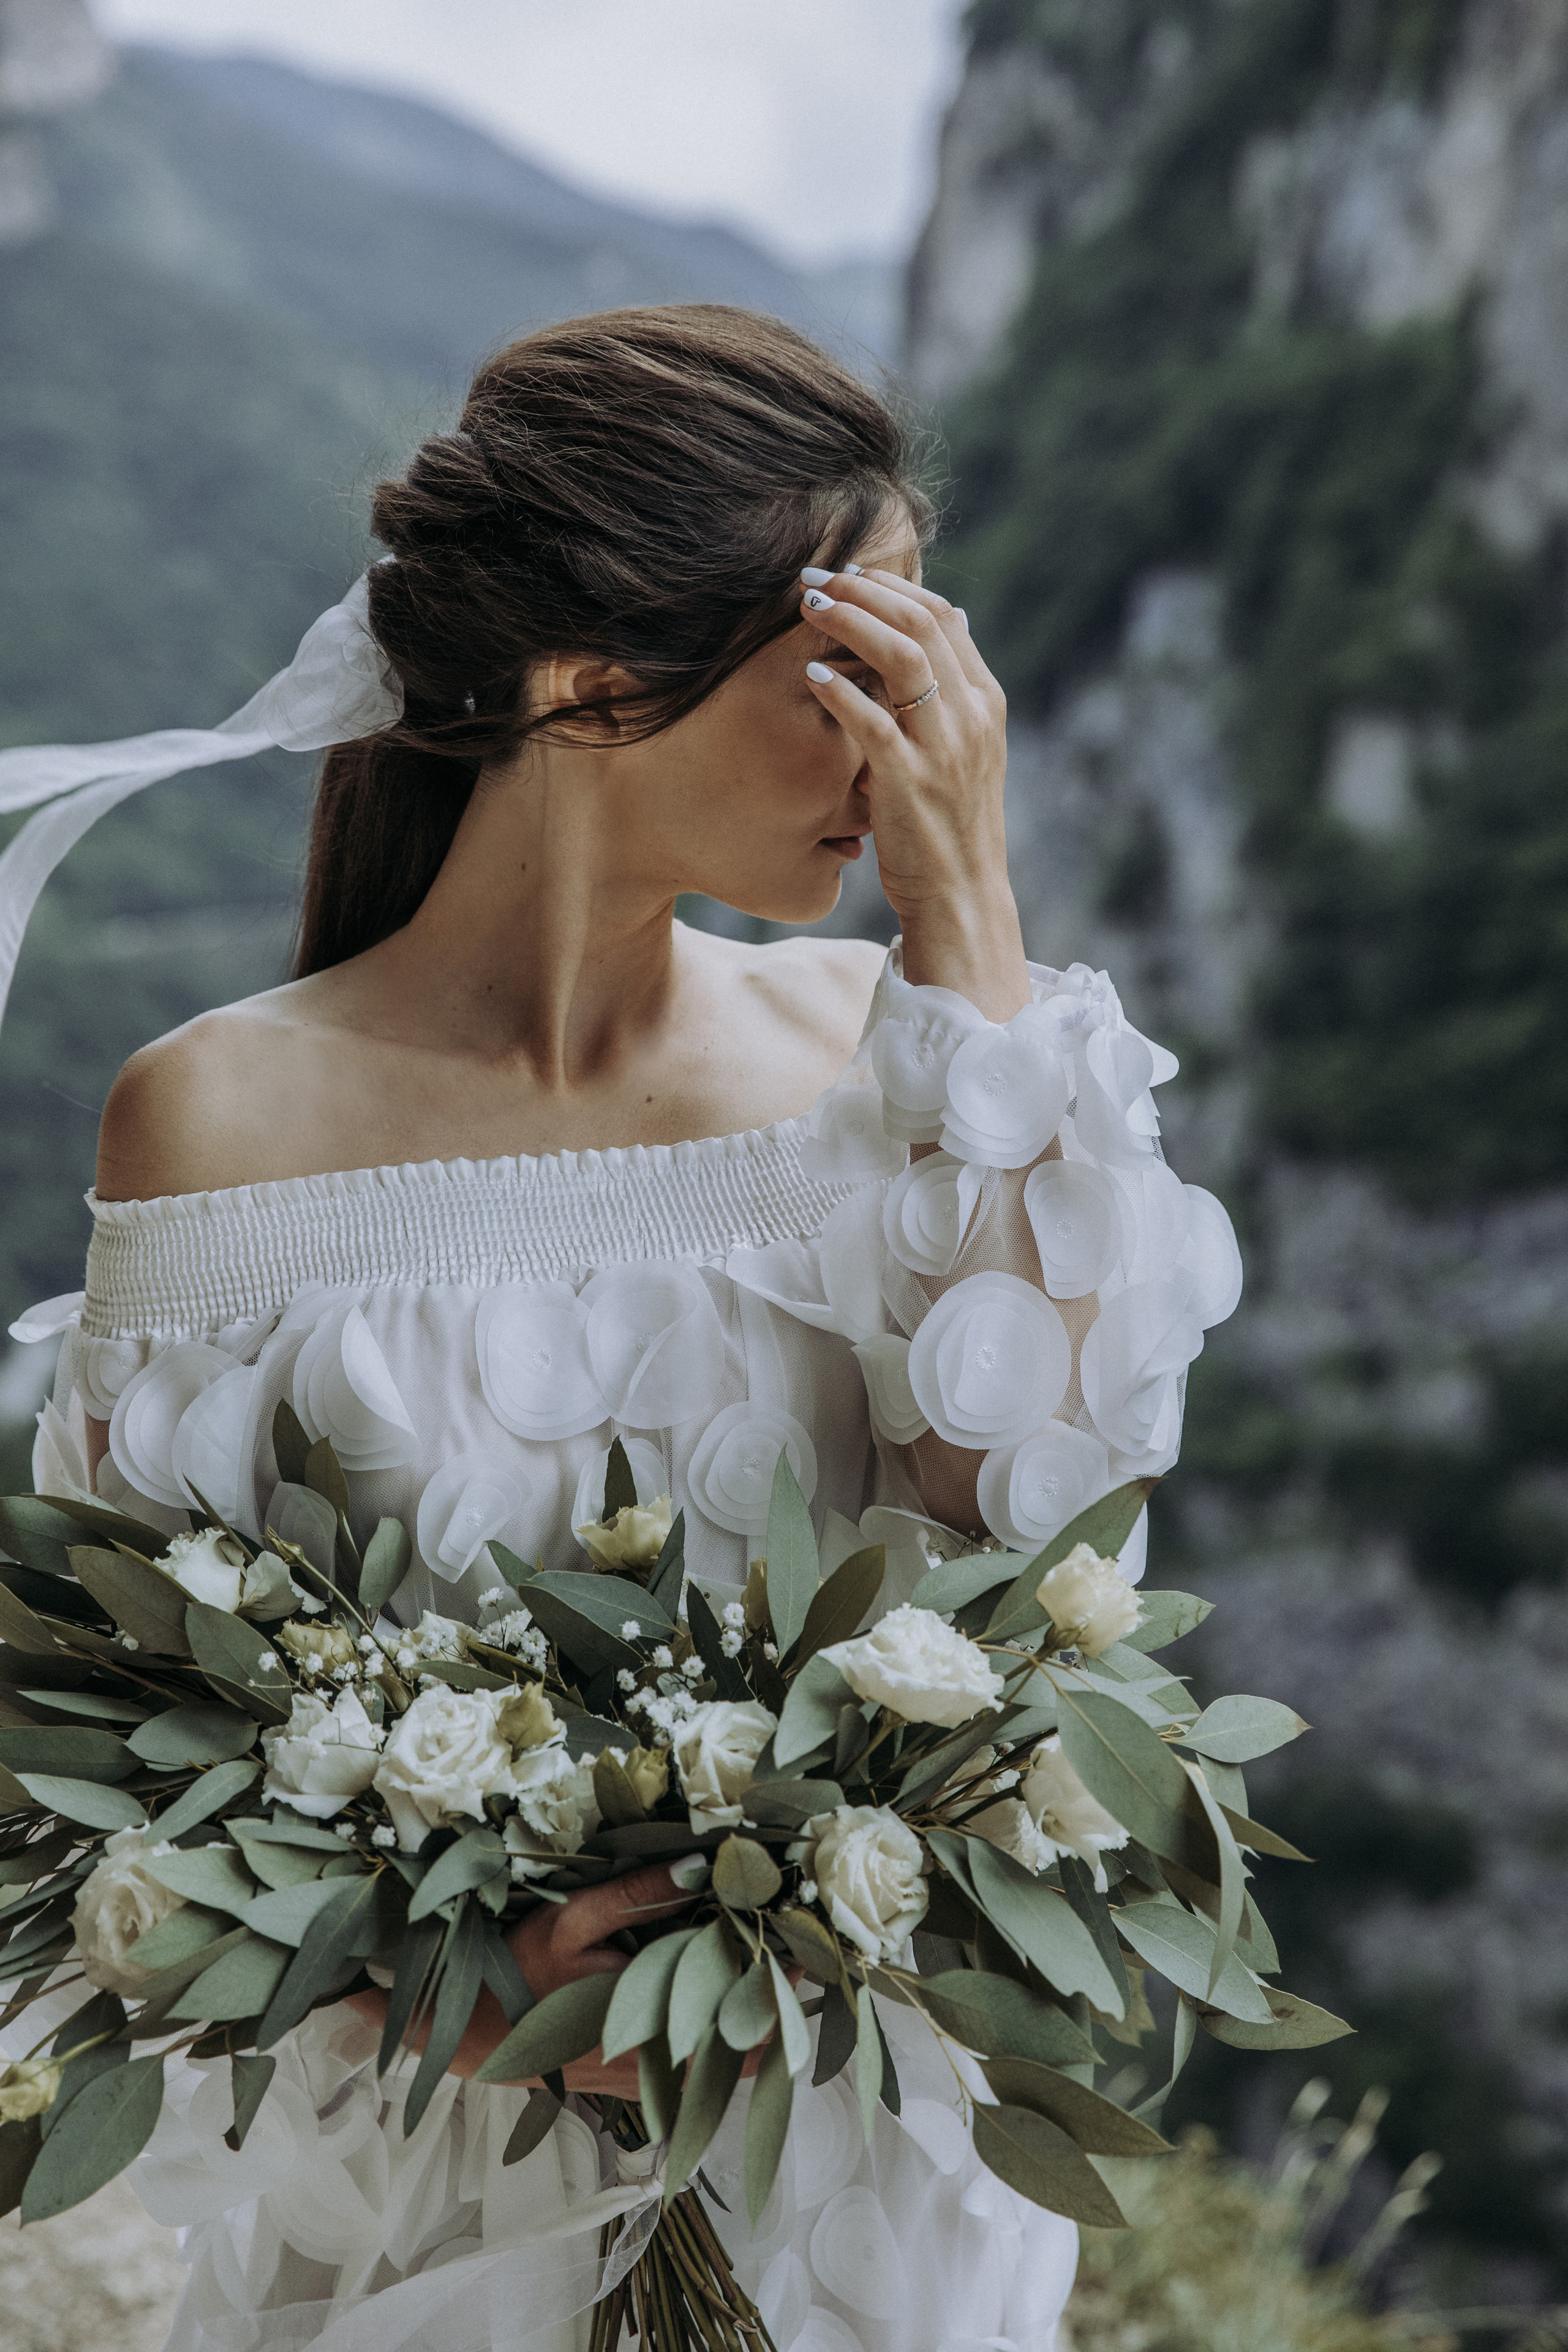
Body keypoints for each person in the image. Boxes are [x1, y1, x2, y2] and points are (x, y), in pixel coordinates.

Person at [6, 304, 1240, 2352]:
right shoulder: (216, 1113)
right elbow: (108, 1747)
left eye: (932, 681)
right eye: (857, 679)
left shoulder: (904, 1058)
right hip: (417, 2194)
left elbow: (1049, 1510)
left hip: (854, 2188)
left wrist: (980, 947)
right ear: (591, 685)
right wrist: (466, 1982)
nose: (909, 753)